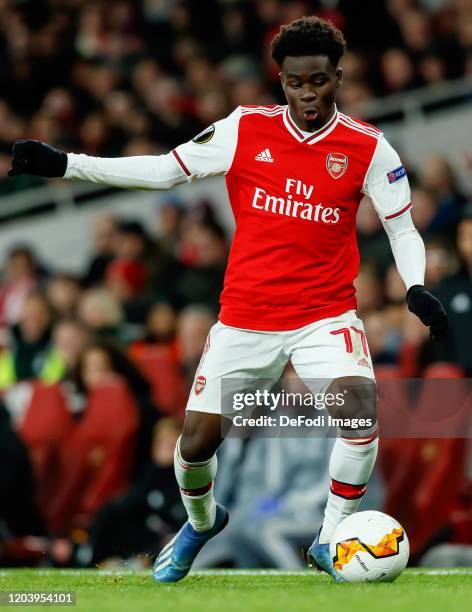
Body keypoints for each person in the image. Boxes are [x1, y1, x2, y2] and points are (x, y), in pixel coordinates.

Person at [7, 17, 448, 582]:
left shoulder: (368, 148)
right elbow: (164, 171)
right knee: (194, 446)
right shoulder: (244, 129)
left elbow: (403, 229)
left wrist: (413, 286)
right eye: (295, 82)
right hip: (245, 319)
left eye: (319, 81)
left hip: (324, 315)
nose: (307, 94)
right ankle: (202, 520)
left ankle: (330, 536)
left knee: (360, 417)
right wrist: (67, 164)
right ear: (280, 81)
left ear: (338, 77)